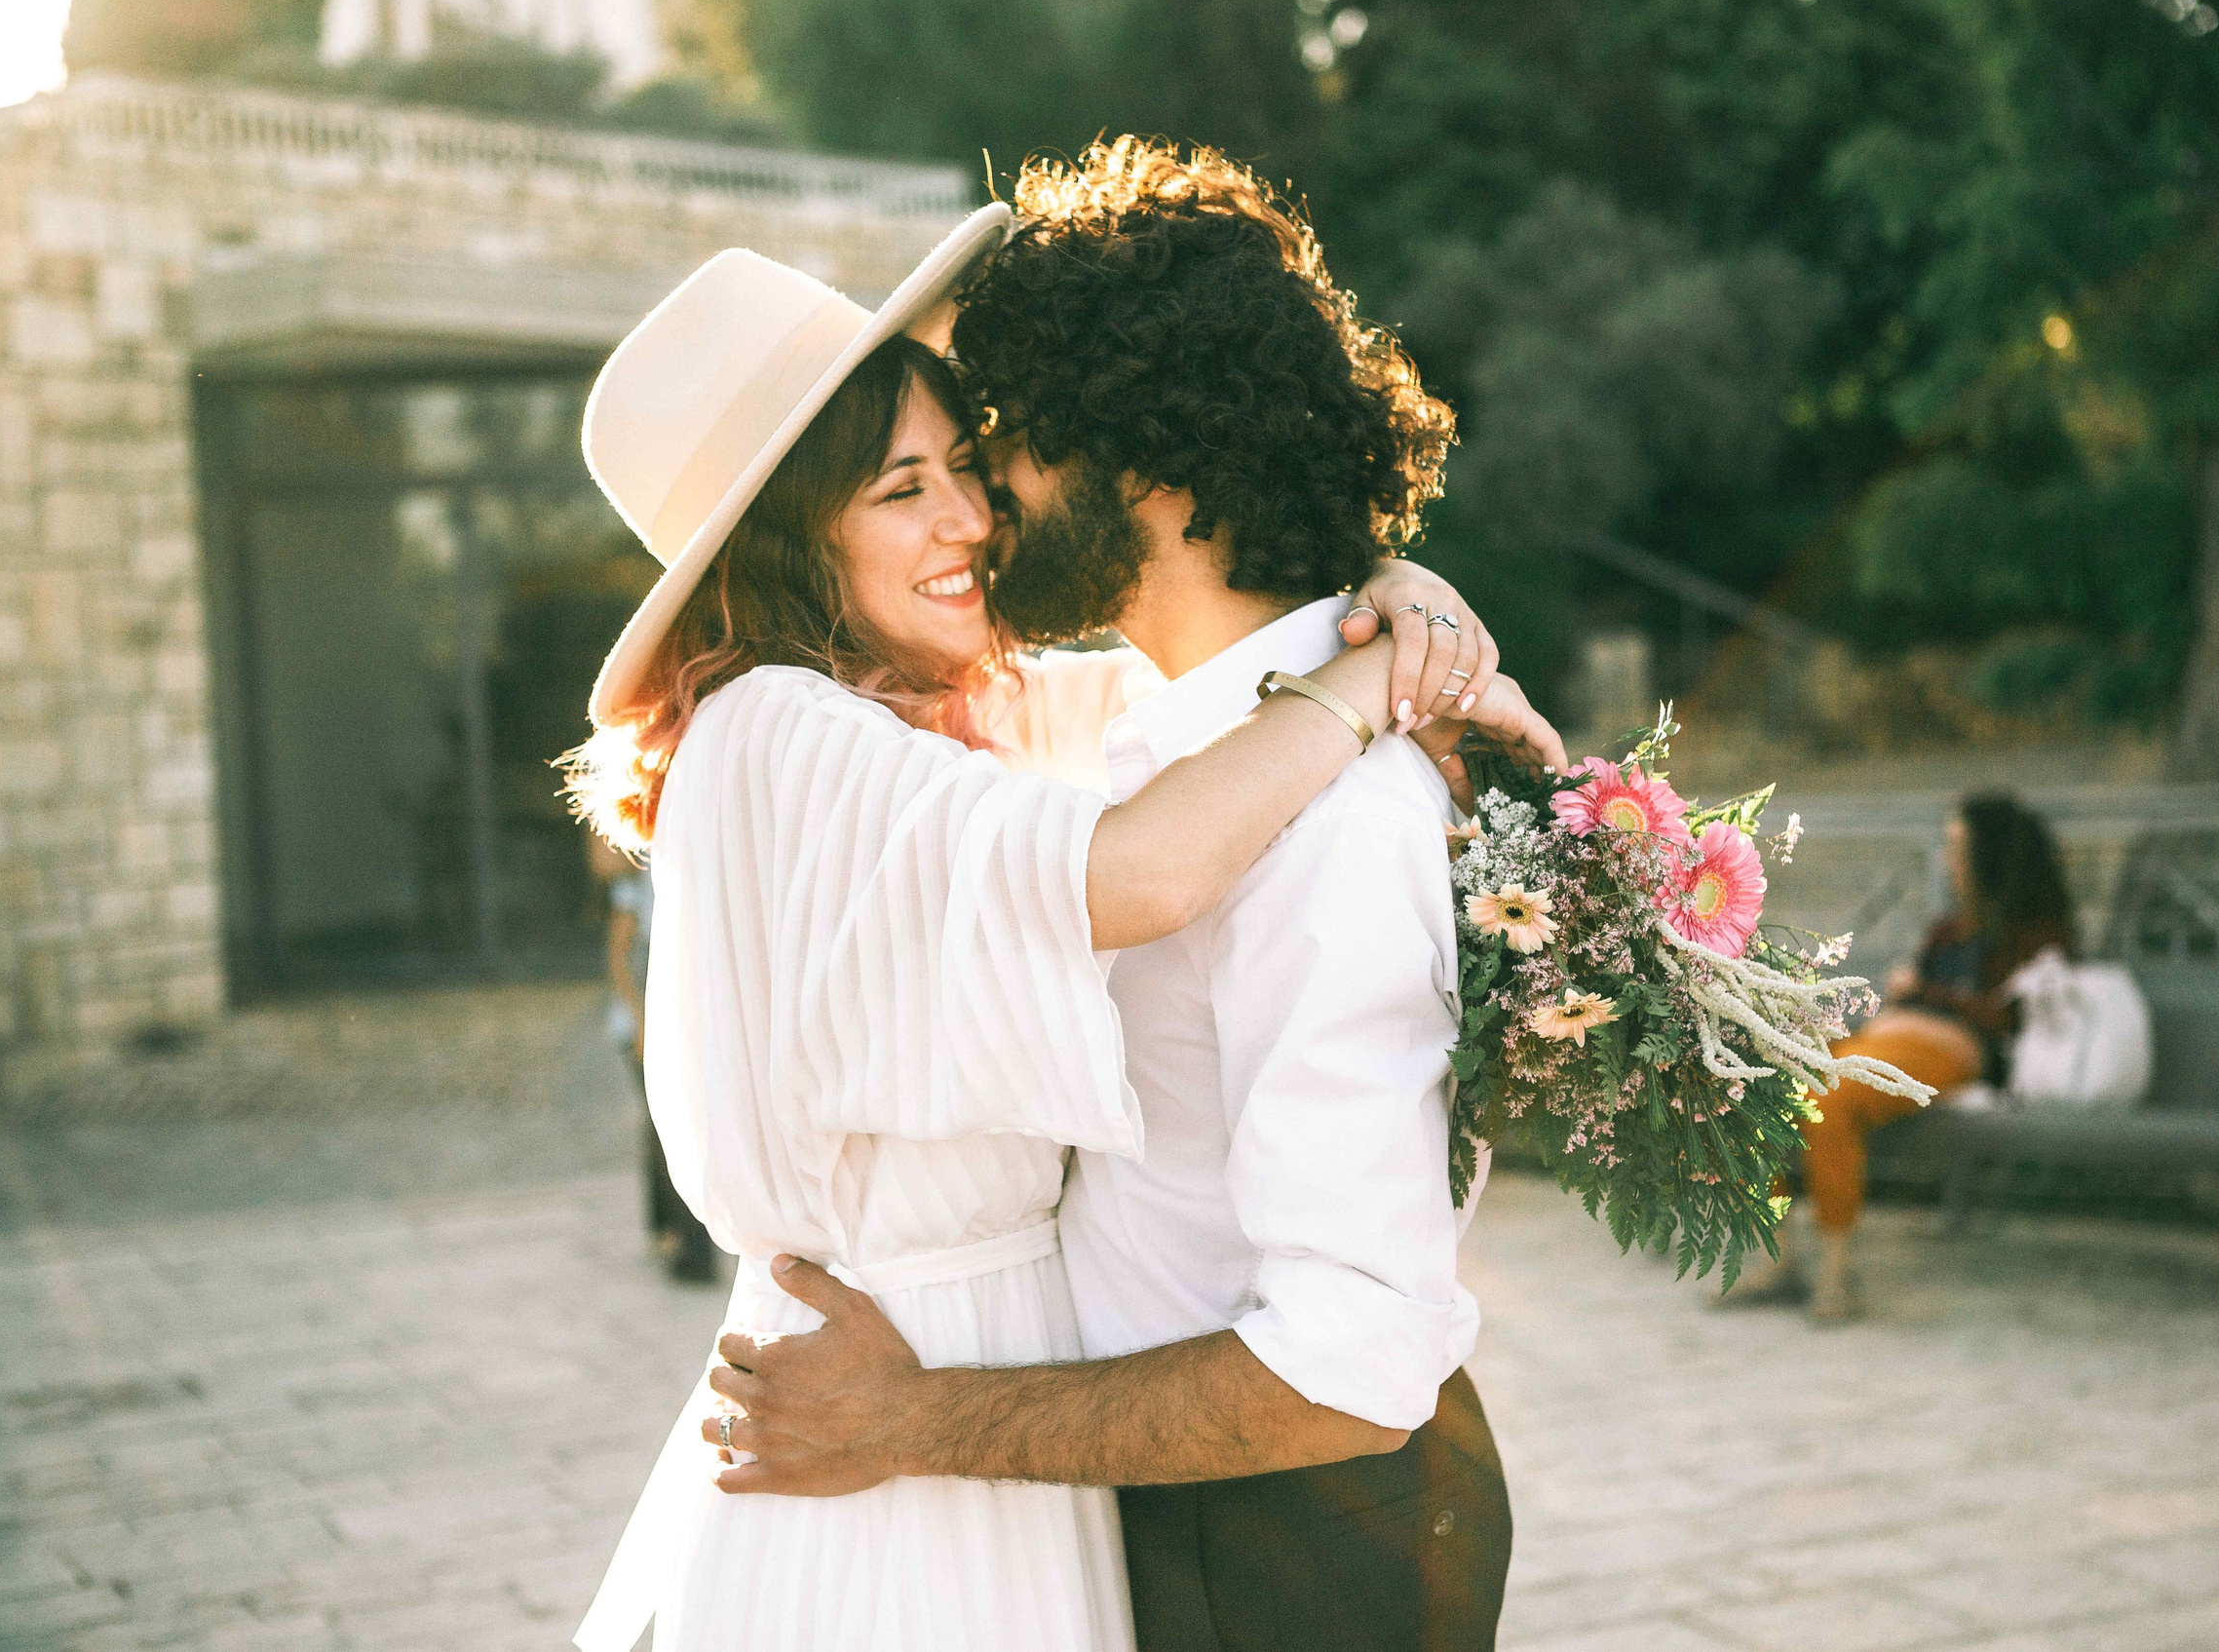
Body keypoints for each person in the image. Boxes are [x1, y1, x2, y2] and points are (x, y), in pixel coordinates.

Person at [565, 197, 1560, 1652]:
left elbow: (1351, 1351)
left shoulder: (986, 728)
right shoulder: (787, 729)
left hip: (1100, 1469)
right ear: (794, 540)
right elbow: (1146, 857)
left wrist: (1395, 611)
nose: (978, 509)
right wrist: (1373, 675)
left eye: (981, 453)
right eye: (909, 485)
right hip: (932, 1445)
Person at [1762, 790, 2075, 1322]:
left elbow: (2008, 1016)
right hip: (1888, 1036)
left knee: (1828, 1096)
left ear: (1989, 856)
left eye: (1958, 846)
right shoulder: (1947, 929)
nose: (1948, 859)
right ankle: (1778, 1256)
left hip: (1951, 1051)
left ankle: (1836, 1275)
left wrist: (1923, 993)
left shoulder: (2033, 934)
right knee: (1765, 1081)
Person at [588, 830, 714, 1282]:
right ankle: (689, 1249)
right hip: (643, 1026)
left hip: (685, 1023)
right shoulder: (638, 873)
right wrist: (643, 1023)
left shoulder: (705, 862)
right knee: (672, 1125)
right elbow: (619, 957)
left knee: (663, 1124)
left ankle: (667, 1227)